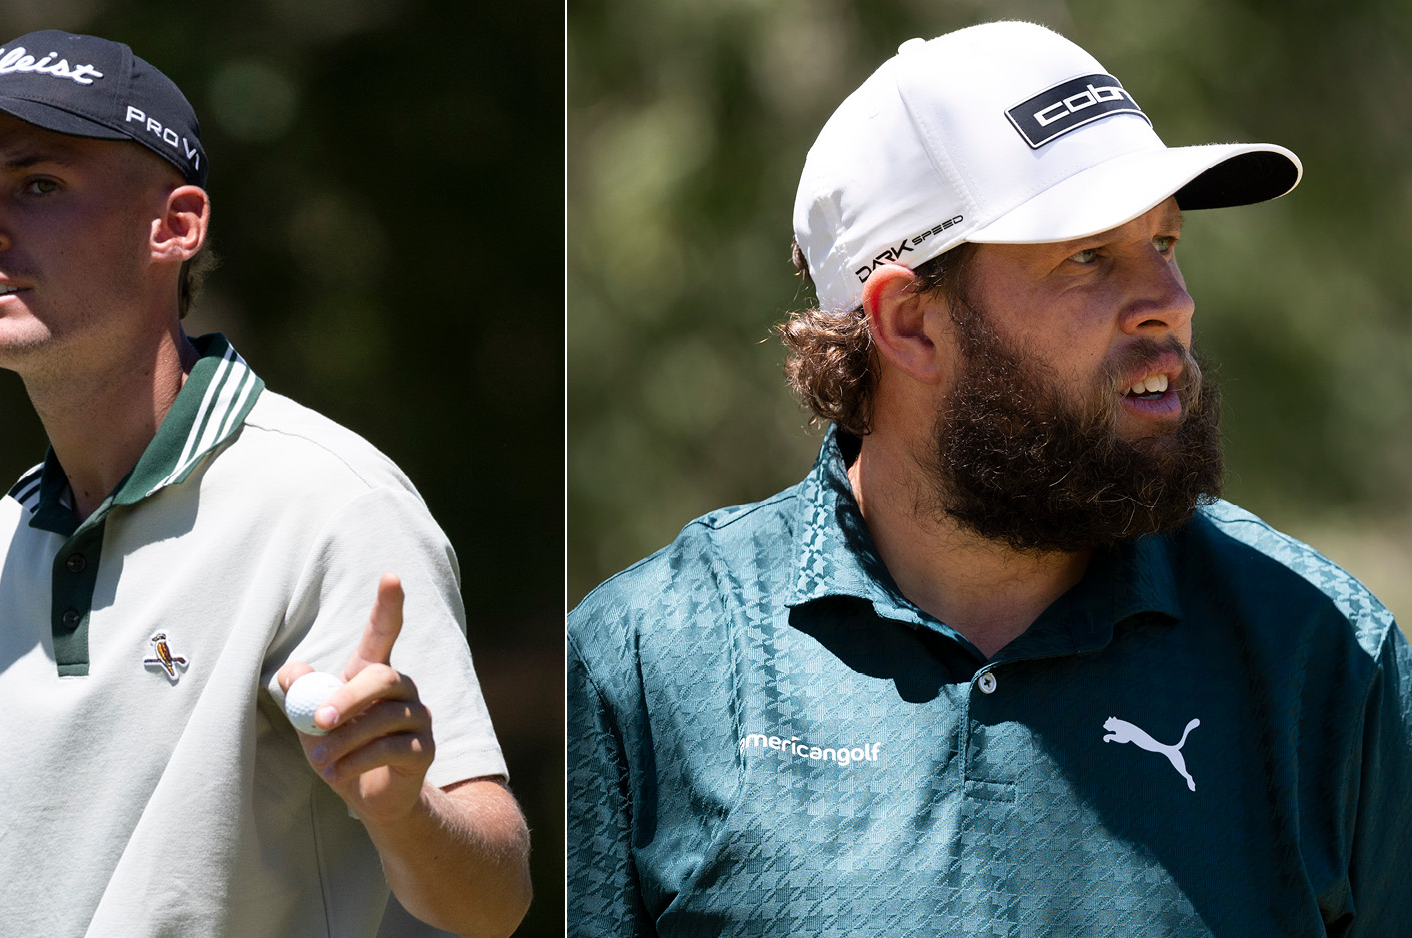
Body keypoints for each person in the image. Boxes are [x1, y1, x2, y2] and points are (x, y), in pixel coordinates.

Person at [567, 21, 1412, 936]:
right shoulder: (650, 660)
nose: (1171, 303)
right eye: (1087, 255)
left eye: (1163, 244)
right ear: (908, 324)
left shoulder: (1325, 658)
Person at [0, 30, 531, 938]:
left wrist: (404, 814)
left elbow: (494, 902)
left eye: (38, 185)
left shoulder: (327, 501)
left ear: (175, 226)